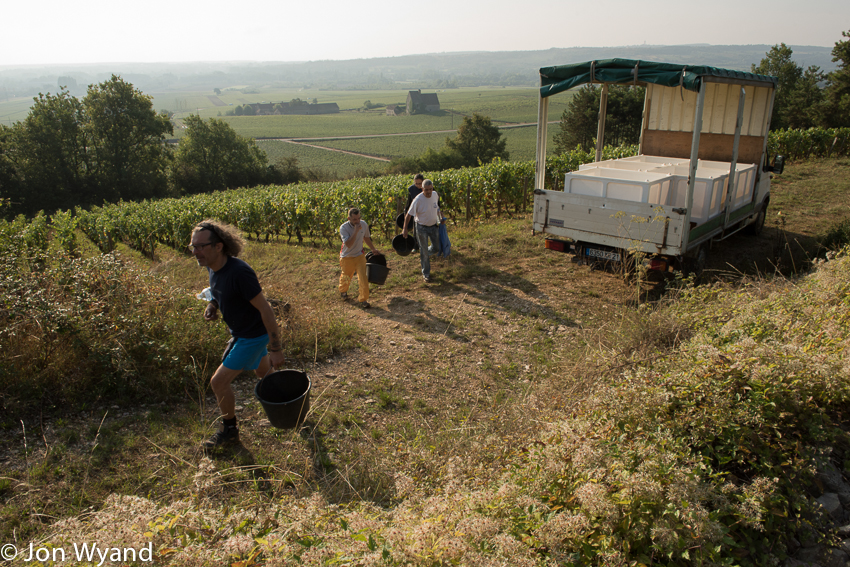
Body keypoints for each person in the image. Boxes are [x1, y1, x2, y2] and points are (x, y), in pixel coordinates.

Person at [190, 220, 286, 450]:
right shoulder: (213, 267)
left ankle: (230, 431)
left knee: (218, 382)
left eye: (201, 246)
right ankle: (286, 402)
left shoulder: (240, 272)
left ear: (219, 246)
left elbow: (266, 309)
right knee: (263, 372)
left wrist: (276, 348)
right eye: (193, 246)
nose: (195, 252)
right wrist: (213, 305)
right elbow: (219, 291)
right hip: (244, 333)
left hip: (251, 337)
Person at [339, 208, 383, 308]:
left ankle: (363, 299)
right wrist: (355, 230)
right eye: (355, 219)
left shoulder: (364, 224)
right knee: (346, 277)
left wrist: (373, 249)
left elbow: (366, 237)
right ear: (349, 218)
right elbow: (348, 244)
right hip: (347, 257)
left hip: (359, 256)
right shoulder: (344, 228)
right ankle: (343, 291)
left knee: (363, 278)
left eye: (359, 218)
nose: (358, 221)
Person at [402, 179, 444, 283]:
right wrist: (405, 229)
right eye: (426, 190)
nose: (428, 192)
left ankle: (424, 254)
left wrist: (441, 217)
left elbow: (437, 208)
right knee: (424, 251)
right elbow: (408, 215)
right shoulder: (418, 200)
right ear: (422, 189)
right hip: (421, 228)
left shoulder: (435, 195)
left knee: (437, 247)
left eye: (430, 189)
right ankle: (426, 273)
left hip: (433, 226)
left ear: (432, 188)